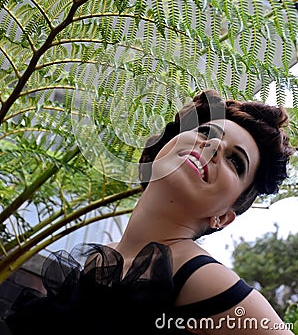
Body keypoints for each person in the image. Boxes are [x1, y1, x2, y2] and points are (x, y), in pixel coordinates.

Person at [4, 89, 295, 335]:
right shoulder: (100, 259)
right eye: (205, 131)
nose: (215, 144)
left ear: (223, 217)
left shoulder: (203, 279)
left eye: (235, 161)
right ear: (163, 148)